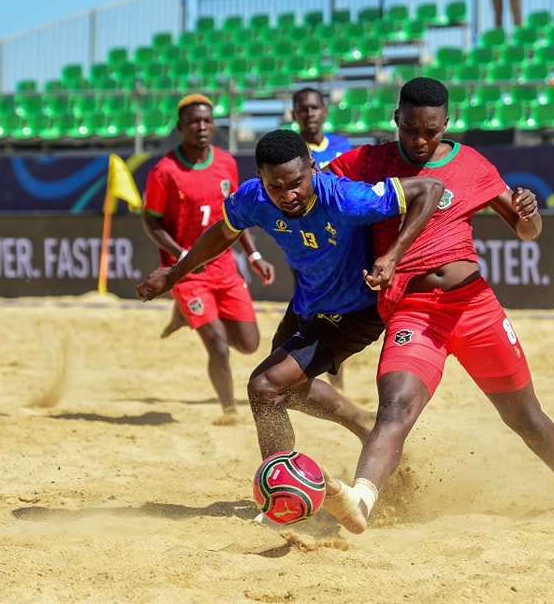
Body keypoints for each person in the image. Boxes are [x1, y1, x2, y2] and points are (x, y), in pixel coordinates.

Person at [321, 77, 554, 535]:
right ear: (396, 120)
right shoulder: (365, 161)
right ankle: (360, 501)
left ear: (447, 123)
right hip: (413, 310)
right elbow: (316, 191)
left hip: (474, 307)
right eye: (410, 130)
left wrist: (529, 212)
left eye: (431, 131)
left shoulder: (472, 165)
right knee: (395, 408)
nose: (420, 141)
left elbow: (528, 232)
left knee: (524, 417)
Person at [136, 129, 443, 460]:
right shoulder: (255, 198)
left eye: (296, 182)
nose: (288, 195)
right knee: (284, 391)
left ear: (312, 166)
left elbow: (430, 188)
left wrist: (392, 256)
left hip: (354, 311)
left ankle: (280, 492)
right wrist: (173, 273)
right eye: (276, 187)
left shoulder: (345, 198)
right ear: (260, 179)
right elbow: (223, 232)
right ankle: (364, 425)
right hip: (308, 303)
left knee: (264, 387)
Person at [141, 94, 277, 424]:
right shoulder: (164, 171)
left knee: (249, 343)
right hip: (186, 273)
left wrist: (254, 254)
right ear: (180, 128)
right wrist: (184, 256)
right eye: (193, 122)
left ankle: (186, 316)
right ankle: (229, 410)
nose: (201, 127)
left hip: (224, 268)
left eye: (206, 120)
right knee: (217, 343)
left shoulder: (226, 163)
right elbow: (151, 221)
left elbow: (235, 217)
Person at [292, 86, 354, 392]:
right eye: (302, 110)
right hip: (307, 240)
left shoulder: (343, 144)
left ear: (324, 111)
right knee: (313, 307)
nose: (309, 114)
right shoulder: (291, 150)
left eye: (314, 108)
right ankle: (321, 374)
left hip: (342, 237)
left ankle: (333, 375)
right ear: (294, 115)